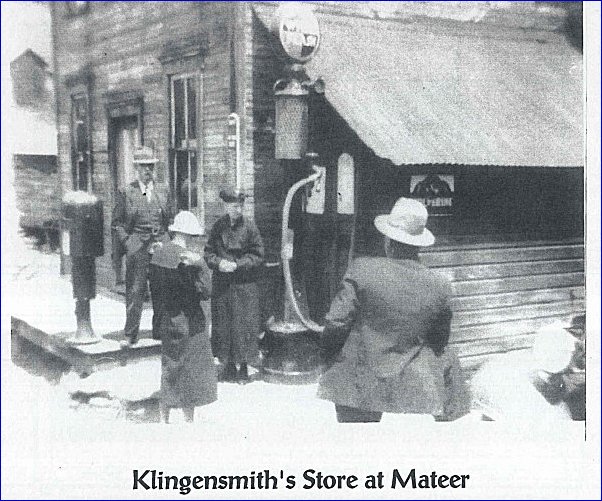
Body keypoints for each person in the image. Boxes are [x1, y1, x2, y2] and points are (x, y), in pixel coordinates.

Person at [317, 197, 470, 423]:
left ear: (388, 241)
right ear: (419, 244)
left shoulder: (362, 270)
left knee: (356, 439)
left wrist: (328, 360)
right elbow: (439, 341)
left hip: (358, 382)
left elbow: (336, 323)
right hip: (412, 390)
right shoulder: (440, 285)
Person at [149, 211, 217, 423]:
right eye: (194, 236)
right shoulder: (186, 260)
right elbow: (206, 291)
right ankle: (188, 420)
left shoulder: (159, 253)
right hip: (189, 321)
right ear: (188, 235)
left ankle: (164, 418)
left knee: (170, 366)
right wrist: (201, 264)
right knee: (191, 370)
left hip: (167, 319)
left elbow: (154, 290)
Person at [111, 146, 175, 346]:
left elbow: (171, 219)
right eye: (144, 166)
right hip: (137, 245)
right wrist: (128, 242)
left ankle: (160, 331)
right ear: (136, 168)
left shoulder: (163, 190)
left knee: (162, 288)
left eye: (151, 166)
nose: (148, 170)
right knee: (135, 290)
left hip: (160, 244)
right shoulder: (126, 192)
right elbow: (117, 223)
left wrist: (167, 241)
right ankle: (131, 333)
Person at [205, 187, 264, 384]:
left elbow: (258, 256)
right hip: (223, 285)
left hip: (244, 285)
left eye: (240, 206)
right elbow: (208, 253)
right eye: (233, 206)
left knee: (243, 326)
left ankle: (244, 368)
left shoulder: (250, 227)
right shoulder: (218, 227)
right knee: (224, 325)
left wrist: (238, 265)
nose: (237, 210)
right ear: (226, 206)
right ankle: (228, 365)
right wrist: (218, 263)